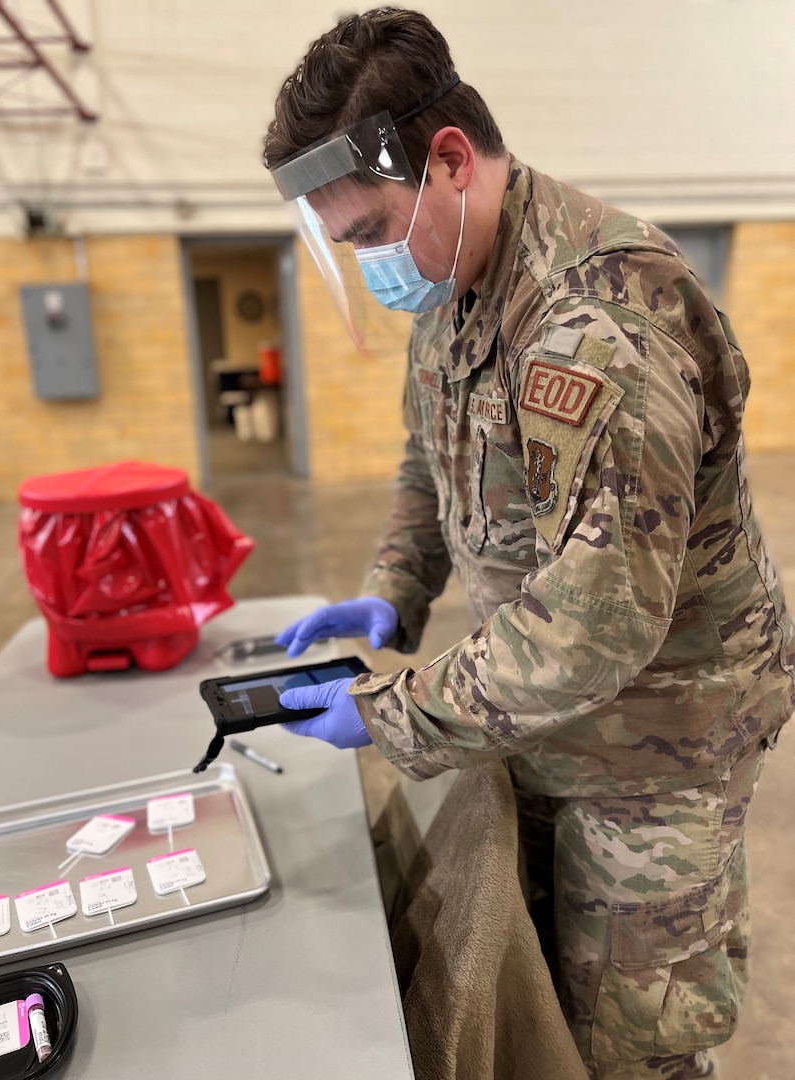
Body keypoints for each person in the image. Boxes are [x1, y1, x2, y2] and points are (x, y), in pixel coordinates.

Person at [263, 9, 795, 1079]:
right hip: (539, 719)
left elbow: (597, 632)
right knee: (554, 1013)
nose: (368, 262)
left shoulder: (602, 326)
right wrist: (393, 592)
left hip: (657, 749)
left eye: (367, 230)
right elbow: (431, 452)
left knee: (633, 1046)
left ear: (450, 161)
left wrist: (388, 713)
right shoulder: (459, 277)